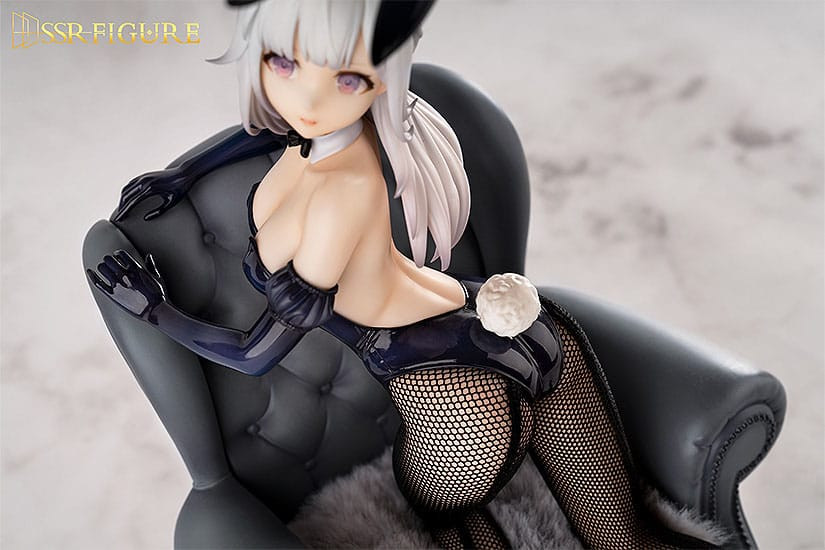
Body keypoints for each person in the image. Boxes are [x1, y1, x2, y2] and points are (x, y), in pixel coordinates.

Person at [88, 2, 722, 548]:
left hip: (454, 400)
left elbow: (255, 355)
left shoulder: (341, 195)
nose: (308, 100)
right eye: (283, 63)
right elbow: (277, 133)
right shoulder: (335, 134)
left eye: (346, 78)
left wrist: (154, 309)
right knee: (622, 537)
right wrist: (182, 176)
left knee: (457, 523)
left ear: (379, 80)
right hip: (512, 326)